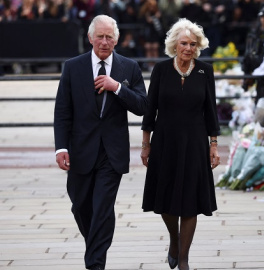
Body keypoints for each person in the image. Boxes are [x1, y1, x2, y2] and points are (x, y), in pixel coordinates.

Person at [54, 14, 148, 270]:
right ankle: (95, 246)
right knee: (81, 207)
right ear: (90, 38)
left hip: (112, 153)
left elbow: (143, 106)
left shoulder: (129, 67)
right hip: (80, 151)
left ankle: (95, 263)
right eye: (100, 36)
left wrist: (116, 87)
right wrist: (61, 147)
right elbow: (63, 111)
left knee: (103, 208)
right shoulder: (72, 67)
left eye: (109, 37)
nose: (104, 42)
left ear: (116, 40)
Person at [140, 18, 221, 270]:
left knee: (191, 201)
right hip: (165, 142)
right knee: (165, 197)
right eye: (184, 43)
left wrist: (214, 144)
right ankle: (174, 240)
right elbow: (150, 107)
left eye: (193, 44)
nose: (188, 48)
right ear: (174, 44)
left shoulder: (204, 71)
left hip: (195, 143)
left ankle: (183, 258)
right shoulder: (161, 70)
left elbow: (211, 110)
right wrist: (145, 143)